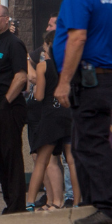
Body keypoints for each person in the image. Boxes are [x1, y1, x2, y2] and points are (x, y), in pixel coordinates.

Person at [44, 0, 112, 224]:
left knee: (91, 144)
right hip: (104, 76)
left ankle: (111, 210)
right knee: (82, 144)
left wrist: (63, 82)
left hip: (90, 77)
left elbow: (77, 38)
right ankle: (95, 204)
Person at [0, 3, 32, 214]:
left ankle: (17, 206)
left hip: (7, 107)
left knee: (11, 157)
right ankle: (9, 201)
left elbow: (21, 76)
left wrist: (5, 102)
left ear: (6, 19)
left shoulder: (13, 43)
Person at [25, 19, 75, 211]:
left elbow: (38, 96)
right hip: (69, 114)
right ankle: (76, 201)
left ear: (48, 45)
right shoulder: (72, 65)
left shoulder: (43, 66)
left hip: (50, 115)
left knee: (43, 160)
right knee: (71, 161)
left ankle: (32, 201)